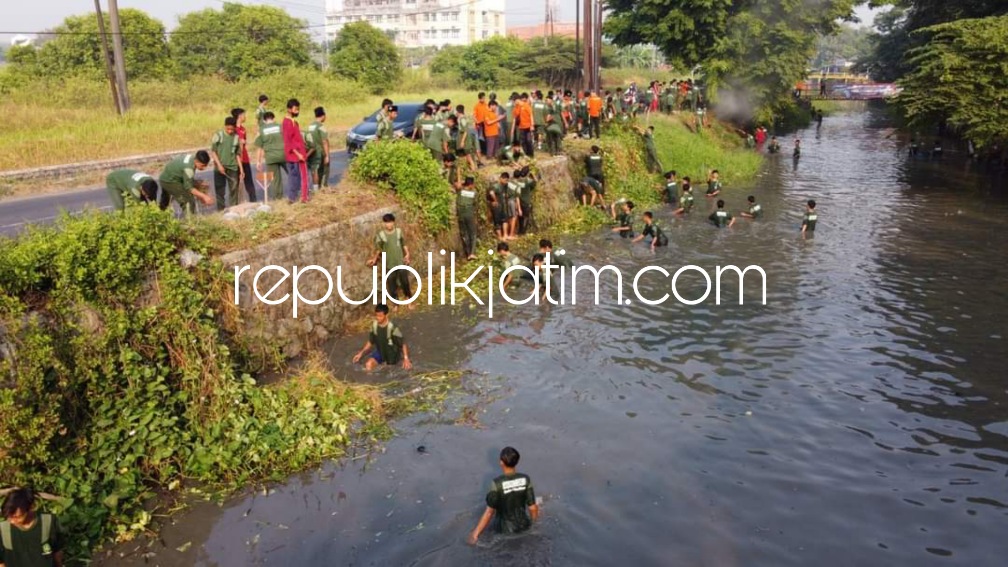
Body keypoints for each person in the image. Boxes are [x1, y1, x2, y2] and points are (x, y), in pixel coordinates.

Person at [468, 446, 539, 544]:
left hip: (504, 530)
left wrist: (475, 534)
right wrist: (534, 525)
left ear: (501, 462)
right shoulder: (525, 479)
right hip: (524, 526)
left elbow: (489, 512)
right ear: (517, 461)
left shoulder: (497, 483)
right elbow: (533, 508)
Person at [0, 487, 65, 567]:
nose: (12, 521)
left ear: (31, 507)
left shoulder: (48, 522)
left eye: (17, 517)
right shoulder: (3, 530)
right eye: (8, 517)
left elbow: (57, 552)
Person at [368, 213, 414, 308]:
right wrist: (374, 259)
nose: (388, 224)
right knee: (392, 284)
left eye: (390, 222)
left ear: (393, 222)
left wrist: (407, 254)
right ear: (384, 223)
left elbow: (404, 244)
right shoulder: (381, 235)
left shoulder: (398, 232)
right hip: (389, 263)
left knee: (405, 282)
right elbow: (378, 249)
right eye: (386, 222)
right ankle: (396, 303)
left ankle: (408, 299)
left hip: (400, 262)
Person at [352, 304, 412, 371]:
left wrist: (406, 358)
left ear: (386, 315)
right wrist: (360, 353)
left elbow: (403, 343)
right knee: (368, 364)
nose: (378, 318)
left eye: (380, 316)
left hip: (391, 355)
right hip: (380, 352)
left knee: (389, 370)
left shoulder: (393, 328)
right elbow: (370, 341)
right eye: (376, 315)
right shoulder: (375, 325)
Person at [209, 116, 243, 210]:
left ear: (235, 128)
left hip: (233, 167)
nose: (230, 131)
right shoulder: (218, 135)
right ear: (225, 126)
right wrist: (219, 165)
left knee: (234, 190)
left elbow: (237, 155)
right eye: (228, 129)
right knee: (220, 190)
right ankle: (221, 210)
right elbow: (213, 152)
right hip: (220, 167)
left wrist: (241, 169)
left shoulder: (236, 137)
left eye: (232, 129)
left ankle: (234, 209)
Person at [253, 112, 286, 201]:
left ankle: (278, 198)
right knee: (292, 173)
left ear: (264, 120)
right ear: (274, 118)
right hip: (284, 154)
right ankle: (296, 193)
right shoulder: (280, 127)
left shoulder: (261, 130)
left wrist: (258, 161)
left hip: (270, 157)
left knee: (275, 179)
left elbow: (259, 147)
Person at [281, 98, 309, 203]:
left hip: (293, 154)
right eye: (296, 109)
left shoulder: (293, 122)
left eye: (298, 109)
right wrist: (298, 154)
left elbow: (294, 138)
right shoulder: (287, 123)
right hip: (297, 155)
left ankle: (292, 198)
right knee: (303, 176)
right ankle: (304, 197)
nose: (297, 111)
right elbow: (288, 141)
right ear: (289, 109)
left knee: (293, 177)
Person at [232, 108, 257, 203]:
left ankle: (253, 201)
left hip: (245, 159)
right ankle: (237, 203)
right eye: (244, 115)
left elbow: (244, 144)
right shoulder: (233, 129)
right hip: (236, 160)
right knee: (237, 182)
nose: (245, 117)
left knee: (249, 181)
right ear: (239, 116)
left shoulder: (243, 129)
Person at [456, 176, 478, 260]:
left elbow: (457, 184)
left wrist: (463, 183)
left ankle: (468, 253)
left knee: (464, 234)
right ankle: (472, 253)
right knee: (473, 233)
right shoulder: (473, 192)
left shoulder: (460, 191)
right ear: (471, 184)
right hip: (469, 213)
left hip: (460, 214)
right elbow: (475, 205)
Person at [308, 107, 330, 191]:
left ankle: (316, 189)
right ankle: (323, 187)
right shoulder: (321, 126)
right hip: (320, 152)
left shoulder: (310, 126)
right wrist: (327, 155)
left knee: (314, 170)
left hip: (311, 151)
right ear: (323, 115)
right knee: (324, 170)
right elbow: (324, 141)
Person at [489, 172, 509, 240]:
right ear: (501, 178)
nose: (506, 182)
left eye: (507, 180)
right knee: (497, 221)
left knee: (505, 219)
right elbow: (491, 193)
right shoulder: (495, 186)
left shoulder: (503, 186)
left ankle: (505, 235)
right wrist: (495, 200)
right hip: (497, 206)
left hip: (502, 205)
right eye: (505, 180)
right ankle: (500, 237)